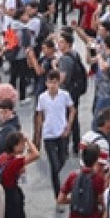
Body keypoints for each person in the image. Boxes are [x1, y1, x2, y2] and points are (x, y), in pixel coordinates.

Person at [35, 69, 75, 198]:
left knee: (62, 159)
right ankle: (58, 194)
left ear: (58, 83)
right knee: (54, 165)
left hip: (62, 132)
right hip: (48, 134)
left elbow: (72, 110)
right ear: (46, 83)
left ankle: (60, 187)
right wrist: (38, 134)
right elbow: (40, 115)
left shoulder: (65, 95)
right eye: (50, 82)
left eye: (55, 82)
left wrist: (68, 126)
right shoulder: (42, 98)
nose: (52, 85)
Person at [0, 130, 41, 218]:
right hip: (12, 195)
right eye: (22, 144)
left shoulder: (2, 156)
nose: (24, 147)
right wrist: (29, 140)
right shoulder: (15, 161)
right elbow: (36, 154)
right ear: (15, 146)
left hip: (3, 193)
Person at [58, 146, 106, 218]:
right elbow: (101, 201)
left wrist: (76, 199)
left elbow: (60, 199)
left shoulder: (73, 176)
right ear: (96, 160)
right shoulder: (98, 179)